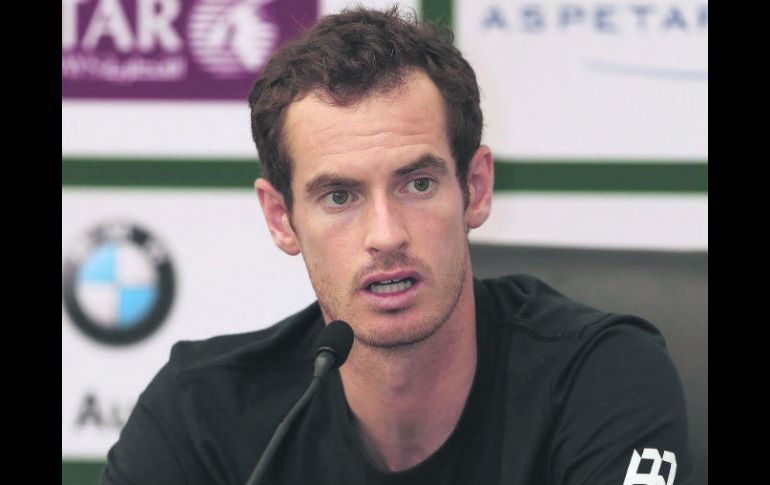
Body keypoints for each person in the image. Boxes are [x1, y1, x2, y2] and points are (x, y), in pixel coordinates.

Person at [101, 6, 693, 485]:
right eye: (339, 197)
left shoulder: (601, 376)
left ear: (475, 189)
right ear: (281, 218)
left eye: (417, 183)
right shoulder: (199, 414)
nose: (386, 235)